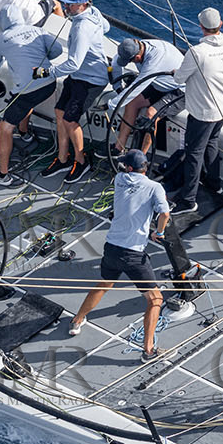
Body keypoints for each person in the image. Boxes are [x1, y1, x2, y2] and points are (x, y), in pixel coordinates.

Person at [66, 149, 171, 358]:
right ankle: (148, 350)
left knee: (104, 284)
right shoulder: (154, 187)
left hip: (112, 248)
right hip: (133, 255)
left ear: (129, 168)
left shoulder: (119, 179)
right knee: (155, 300)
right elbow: (165, 213)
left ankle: (77, 320)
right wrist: (158, 232)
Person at [38, 0, 111, 185]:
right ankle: (62, 159)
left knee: (70, 120)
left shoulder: (81, 28)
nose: (65, 7)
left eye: (69, 4)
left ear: (82, 5)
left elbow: (73, 63)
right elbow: (106, 28)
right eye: (65, 3)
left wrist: (47, 72)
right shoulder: (93, 12)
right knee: (60, 112)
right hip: (80, 75)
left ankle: (81, 161)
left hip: (91, 80)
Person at [169, 7, 223, 215]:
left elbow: (179, 78)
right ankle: (214, 184)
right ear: (220, 25)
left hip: (202, 113)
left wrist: (178, 72)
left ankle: (188, 200)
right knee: (212, 144)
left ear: (201, 27)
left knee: (193, 154)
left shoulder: (197, 52)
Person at [0, 4, 63, 185]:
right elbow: (57, 51)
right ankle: (24, 133)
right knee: (22, 101)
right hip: (49, 84)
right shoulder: (37, 30)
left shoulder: (2, 38)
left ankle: (3, 175)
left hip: (28, 90)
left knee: (4, 127)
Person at [112, 36, 185, 153]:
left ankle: (140, 158)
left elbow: (138, 86)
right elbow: (116, 62)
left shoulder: (154, 60)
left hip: (180, 90)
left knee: (151, 114)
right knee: (131, 103)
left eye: (130, 61)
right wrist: (117, 87)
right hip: (159, 83)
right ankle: (118, 147)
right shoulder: (134, 47)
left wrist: (113, 104)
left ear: (137, 57)